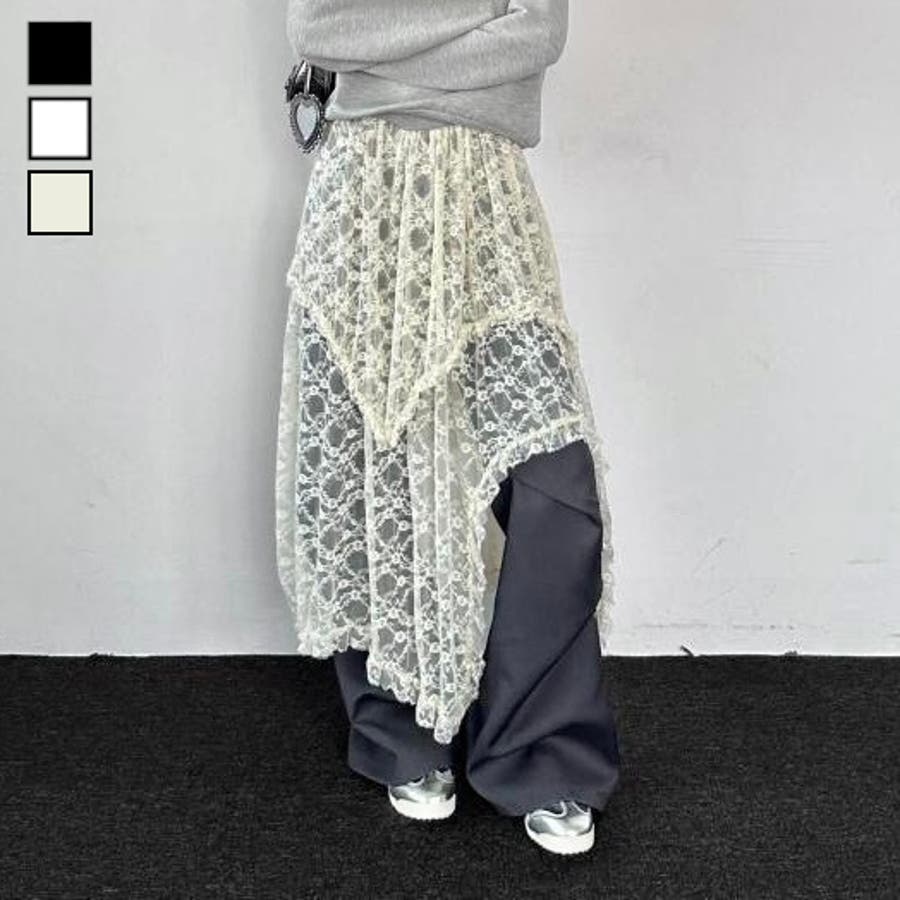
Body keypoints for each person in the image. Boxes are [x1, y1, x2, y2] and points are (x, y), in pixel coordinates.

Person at [275, 0, 621, 856]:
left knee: (554, 481)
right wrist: (476, 16)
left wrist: (386, 68)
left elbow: (538, 33)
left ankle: (542, 751)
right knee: (373, 462)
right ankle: (402, 733)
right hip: (362, 198)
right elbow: (319, 30)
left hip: (488, 208)